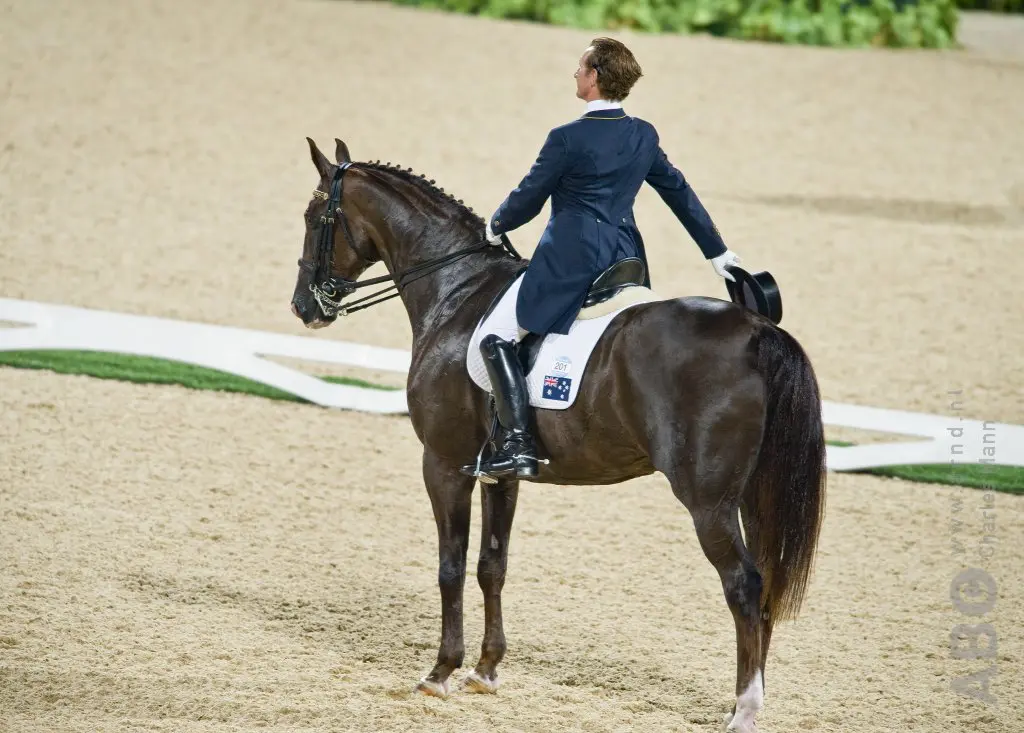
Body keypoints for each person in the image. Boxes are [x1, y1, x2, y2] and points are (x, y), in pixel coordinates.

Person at [466, 37, 742, 481]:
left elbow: (529, 197)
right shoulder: (643, 134)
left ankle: (516, 445)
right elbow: (679, 192)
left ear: (594, 76)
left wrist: (496, 225)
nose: (575, 73)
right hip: (625, 258)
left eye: (581, 67)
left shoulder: (566, 138)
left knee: (496, 337)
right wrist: (719, 252)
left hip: (570, 260)